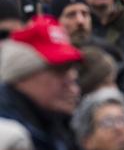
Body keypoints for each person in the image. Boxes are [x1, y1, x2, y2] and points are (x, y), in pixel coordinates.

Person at [0, 16, 82, 149]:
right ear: (23, 73)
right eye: (60, 69)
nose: (72, 82)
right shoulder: (8, 139)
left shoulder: (56, 122)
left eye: (72, 69)